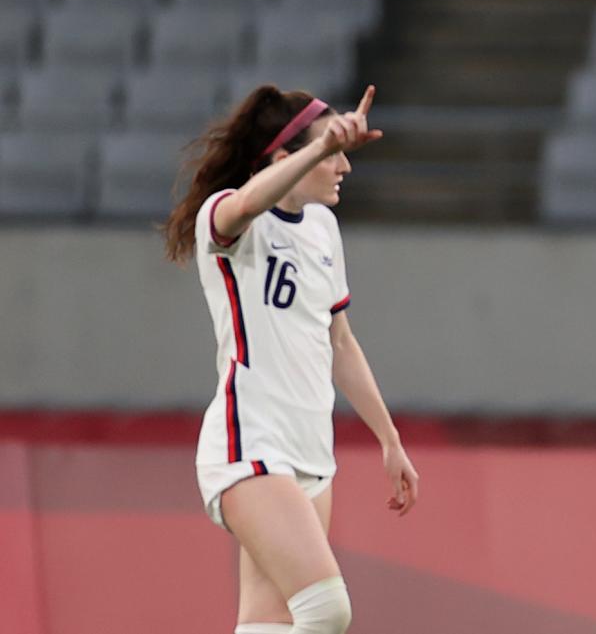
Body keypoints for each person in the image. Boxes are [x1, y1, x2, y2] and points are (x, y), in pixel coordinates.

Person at [161, 85, 418, 634]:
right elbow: (248, 202)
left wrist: (390, 439)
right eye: (333, 153)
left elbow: (341, 343)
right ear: (285, 158)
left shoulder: (323, 229)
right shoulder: (230, 219)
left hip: (309, 452)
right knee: (327, 609)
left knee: (267, 623)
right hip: (250, 444)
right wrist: (316, 149)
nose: (343, 165)